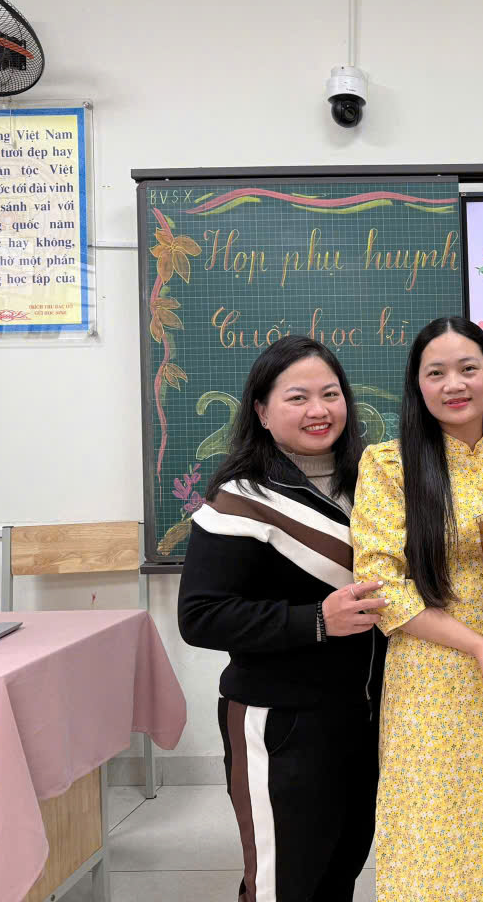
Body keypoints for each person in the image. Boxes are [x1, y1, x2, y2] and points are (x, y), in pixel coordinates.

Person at [351, 316, 483, 901]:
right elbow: (381, 586)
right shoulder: (388, 464)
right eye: (436, 373)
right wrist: (478, 646)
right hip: (430, 674)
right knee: (430, 825)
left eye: (468, 368)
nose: (454, 384)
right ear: (417, 385)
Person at [177, 335, 387, 902]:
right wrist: (315, 619)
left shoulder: (375, 487)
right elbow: (200, 616)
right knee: (282, 883)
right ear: (262, 412)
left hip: (364, 717)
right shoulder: (239, 499)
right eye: (298, 398)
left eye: (331, 394)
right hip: (279, 721)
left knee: (339, 869)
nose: (319, 410)